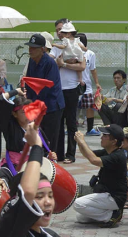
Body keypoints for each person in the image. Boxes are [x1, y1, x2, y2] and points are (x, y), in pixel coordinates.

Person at [72, 125, 127, 226]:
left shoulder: (118, 156)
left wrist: (83, 141)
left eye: (105, 135)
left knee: (77, 203)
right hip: (105, 193)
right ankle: (109, 213)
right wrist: (79, 142)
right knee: (80, 217)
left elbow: (94, 160)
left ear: (114, 141)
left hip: (114, 197)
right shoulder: (108, 151)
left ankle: (112, 215)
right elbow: (88, 154)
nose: (101, 137)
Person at [22, 33, 65, 153]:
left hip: (52, 105)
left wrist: (35, 103)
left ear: (43, 49)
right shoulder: (31, 61)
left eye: (34, 48)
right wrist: (29, 101)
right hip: (38, 104)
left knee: (50, 138)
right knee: (38, 135)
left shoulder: (50, 63)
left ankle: (51, 163)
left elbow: (47, 86)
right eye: (30, 47)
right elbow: (29, 81)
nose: (31, 50)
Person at [51, 22, 85, 163]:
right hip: (58, 89)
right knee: (58, 123)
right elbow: (52, 63)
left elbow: (82, 65)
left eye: (63, 31)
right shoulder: (57, 48)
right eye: (59, 31)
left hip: (72, 89)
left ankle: (70, 154)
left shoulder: (76, 45)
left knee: (71, 123)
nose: (61, 34)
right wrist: (59, 64)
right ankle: (57, 153)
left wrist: (64, 64)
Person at [78, 34, 100, 134]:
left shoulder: (90, 54)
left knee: (89, 107)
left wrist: (97, 83)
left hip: (86, 86)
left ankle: (90, 129)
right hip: (74, 85)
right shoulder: (71, 53)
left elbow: (93, 70)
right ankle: (71, 127)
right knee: (72, 107)